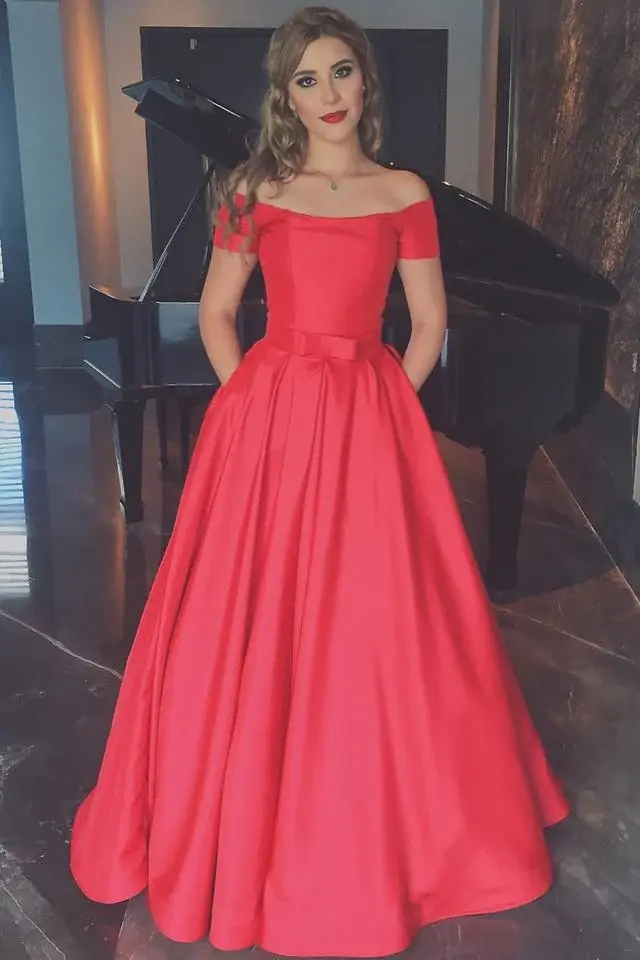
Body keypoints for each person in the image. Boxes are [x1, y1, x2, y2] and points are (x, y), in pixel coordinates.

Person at [71, 5, 569, 956]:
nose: (329, 93)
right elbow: (218, 313)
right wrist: (252, 403)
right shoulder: (251, 187)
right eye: (308, 79)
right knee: (248, 607)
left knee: (382, 613)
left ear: (365, 80)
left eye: (341, 71)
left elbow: (427, 322)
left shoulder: (404, 192)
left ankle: (397, 820)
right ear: (286, 96)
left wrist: (381, 407)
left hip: (368, 409)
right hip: (271, 409)